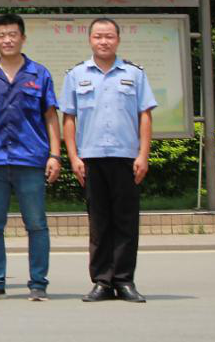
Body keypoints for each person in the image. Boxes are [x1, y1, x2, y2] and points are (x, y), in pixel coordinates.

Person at [62, 18, 156, 304]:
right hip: (91, 158)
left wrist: (143, 154)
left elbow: (145, 115)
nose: (104, 41)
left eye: (109, 36)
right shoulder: (76, 74)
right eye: (98, 36)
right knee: (99, 222)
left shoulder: (134, 74)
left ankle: (124, 280)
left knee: (126, 222)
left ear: (118, 40)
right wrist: (73, 157)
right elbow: (69, 118)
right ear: (90, 40)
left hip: (126, 157)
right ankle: (102, 281)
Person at [0, 13, 60, 302]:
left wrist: (55, 155)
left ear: (23, 37)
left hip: (30, 160)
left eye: (12, 35)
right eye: (1, 35)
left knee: (36, 224)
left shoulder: (39, 74)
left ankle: (38, 283)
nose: (7, 40)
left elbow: (50, 116)